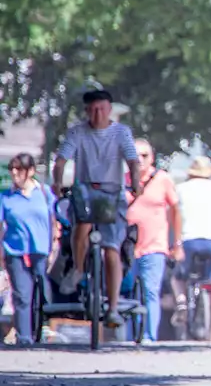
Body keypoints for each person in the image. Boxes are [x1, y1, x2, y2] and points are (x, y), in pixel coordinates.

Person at [54, 87, 143, 329]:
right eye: (92, 110)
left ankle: (113, 308)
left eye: (101, 109)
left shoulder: (121, 133)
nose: (97, 114)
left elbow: (133, 161)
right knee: (81, 225)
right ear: (86, 111)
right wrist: (57, 182)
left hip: (113, 191)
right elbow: (61, 160)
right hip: (85, 188)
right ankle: (79, 269)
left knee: (111, 248)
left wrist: (135, 183)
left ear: (109, 109)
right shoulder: (77, 133)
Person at [126, 139, 182, 343]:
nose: (140, 160)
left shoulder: (162, 179)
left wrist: (177, 243)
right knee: (128, 293)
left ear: (152, 158)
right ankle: (130, 336)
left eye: (145, 156)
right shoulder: (122, 180)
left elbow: (176, 210)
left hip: (154, 246)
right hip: (127, 248)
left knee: (150, 291)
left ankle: (149, 336)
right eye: (136, 155)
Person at [1, 154, 58, 346]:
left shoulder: (44, 193)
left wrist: (54, 245)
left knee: (42, 293)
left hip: (41, 250)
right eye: (13, 169)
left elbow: (53, 220)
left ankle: (41, 329)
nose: (15, 173)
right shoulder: (6, 197)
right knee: (22, 295)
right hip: (15, 251)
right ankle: (24, 338)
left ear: (30, 171)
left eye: (19, 169)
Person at [176, 155, 211, 344]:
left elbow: (174, 218)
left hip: (188, 241)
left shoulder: (181, 189)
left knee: (177, 276)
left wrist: (174, 244)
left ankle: (182, 302)